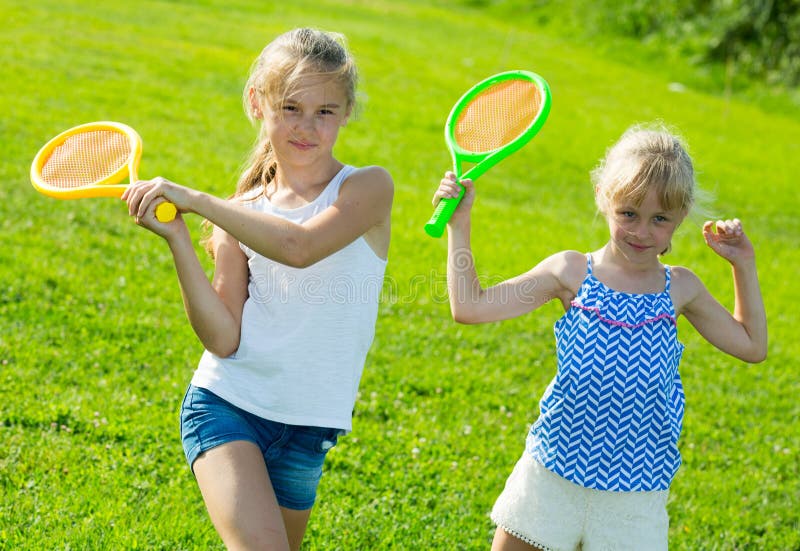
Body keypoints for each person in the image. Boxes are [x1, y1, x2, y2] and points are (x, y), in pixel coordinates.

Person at [432, 123, 766, 550]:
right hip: (552, 474)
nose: (642, 232)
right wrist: (459, 225)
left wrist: (743, 264)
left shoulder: (681, 288)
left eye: (659, 219)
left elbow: (752, 346)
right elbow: (470, 307)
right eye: (629, 214)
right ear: (604, 199)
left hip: (635, 496)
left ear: (680, 218)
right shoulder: (570, 273)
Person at [122, 28, 393, 551]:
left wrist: (198, 201)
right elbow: (222, 338)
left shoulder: (366, 188)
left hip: (308, 428)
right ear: (257, 102)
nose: (307, 127)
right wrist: (179, 238)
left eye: (325, 111)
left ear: (346, 112)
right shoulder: (241, 211)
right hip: (228, 404)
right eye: (291, 107)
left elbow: (298, 247)